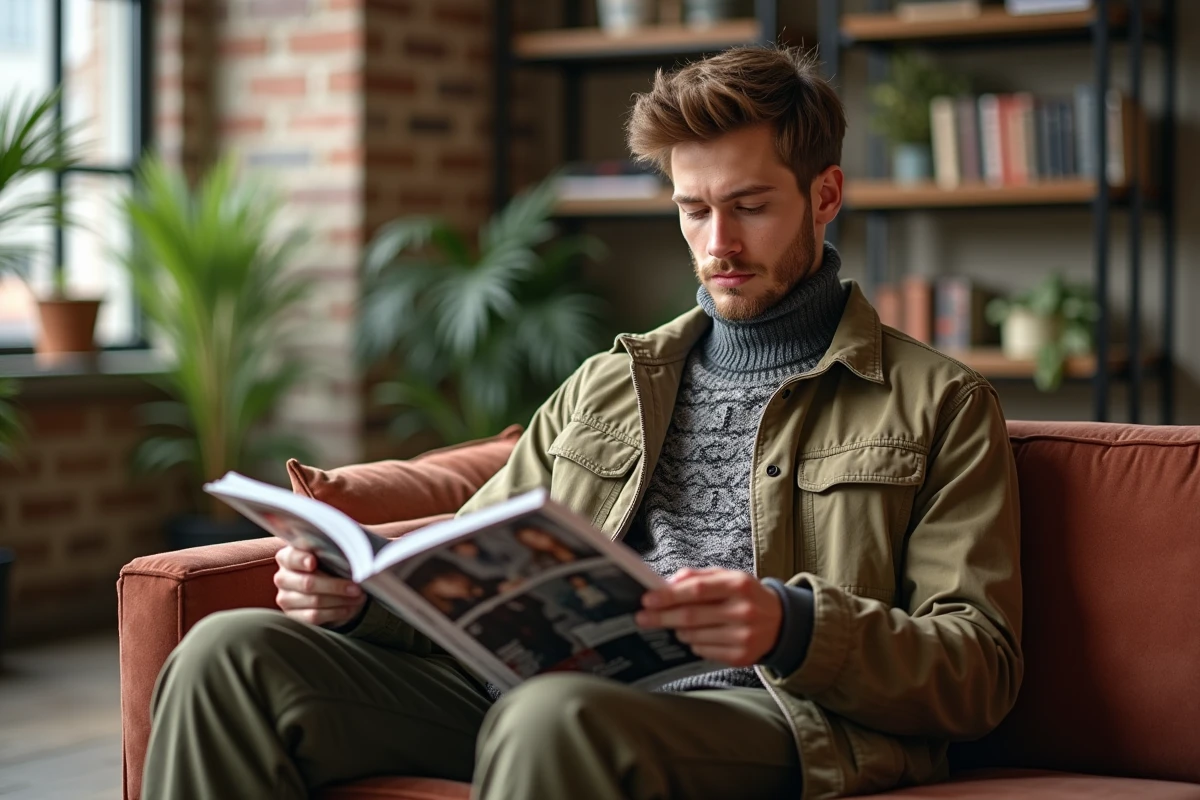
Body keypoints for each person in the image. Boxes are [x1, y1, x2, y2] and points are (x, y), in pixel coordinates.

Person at [142, 45, 1022, 800]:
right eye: (693, 209)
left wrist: (788, 624)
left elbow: (978, 670)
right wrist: (360, 600)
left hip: (766, 714)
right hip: (539, 695)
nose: (718, 243)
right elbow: (467, 576)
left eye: (749, 206)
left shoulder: (939, 404)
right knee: (229, 655)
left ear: (824, 196)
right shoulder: (606, 384)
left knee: (552, 717)